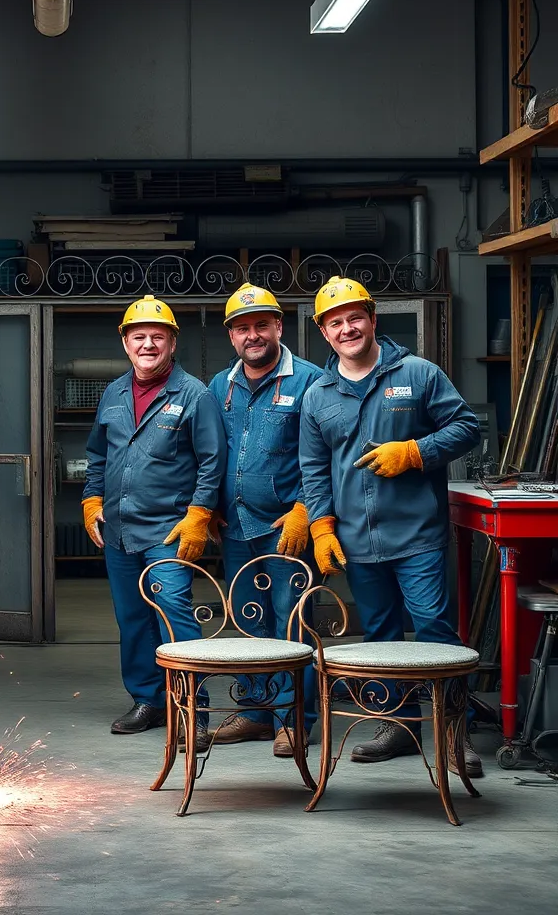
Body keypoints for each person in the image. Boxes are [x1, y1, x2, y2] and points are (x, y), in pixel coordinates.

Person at [298, 275, 483, 775]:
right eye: (335, 322)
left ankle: (452, 735)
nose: (347, 327)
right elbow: (314, 471)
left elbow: (468, 427)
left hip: (417, 534)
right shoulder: (318, 396)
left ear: (373, 319)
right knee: (379, 638)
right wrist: (322, 528)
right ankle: (397, 728)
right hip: (357, 540)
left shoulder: (418, 374)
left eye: (355, 316)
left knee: (435, 636)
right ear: (324, 331)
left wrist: (417, 451)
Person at [82, 295, 225, 748]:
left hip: (168, 530)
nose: (148, 344)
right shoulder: (114, 393)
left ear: (171, 342)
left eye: (156, 337)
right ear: (126, 342)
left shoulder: (194, 395)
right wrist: (91, 499)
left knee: (174, 616)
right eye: (138, 336)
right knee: (132, 619)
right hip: (120, 531)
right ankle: (149, 699)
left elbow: (212, 461)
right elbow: (97, 455)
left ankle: (193, 710)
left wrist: (200, 513)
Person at [207, 283, 323, 757]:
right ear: (231, 336)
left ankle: (294, 718)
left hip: (286, 526)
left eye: (261, 325)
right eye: (242, 328)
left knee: (292, 622)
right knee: (248, 621)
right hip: (235, 526)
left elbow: (326, 454)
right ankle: (255, 711)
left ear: (279, 326)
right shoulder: (221, 385)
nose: (252, 335)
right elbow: (212, 451)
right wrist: (208, 505)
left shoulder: (312, 381)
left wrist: (305, 509)